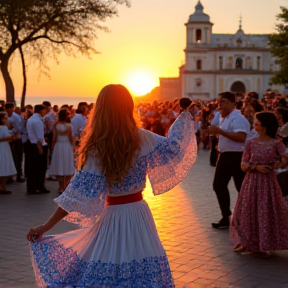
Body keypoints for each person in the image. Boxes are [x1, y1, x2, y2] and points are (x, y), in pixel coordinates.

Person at [26, 84, 197, 287]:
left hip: (113, 218)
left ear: (100, 109)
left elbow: (75, 196)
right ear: (128, 106)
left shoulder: (97, 147)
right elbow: (174, 147)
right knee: (144, 272)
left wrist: (45, 226)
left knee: (107, 271)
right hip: (139, 214)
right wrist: (184, 117)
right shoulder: (144, 137)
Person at [230, 112, 288, 257]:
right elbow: (243, 164)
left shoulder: (276, 143)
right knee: (248, 210)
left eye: (256, 123)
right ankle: (246, 242)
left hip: (268, 182)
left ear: (264, 126)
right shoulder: (251, 143)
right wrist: (256, 168)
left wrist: (276, 165)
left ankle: (264, 244)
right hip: (251, 181)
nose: (254, 126)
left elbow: (285, 157)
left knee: (265, 211)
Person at [209, 92, 250, 229]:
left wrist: (220, 132)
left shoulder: (238, 118)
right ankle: (226, 216)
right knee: (218, 185)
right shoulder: (224, 117)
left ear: (233, 102)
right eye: (220, 102)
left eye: (225, 102)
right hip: (225, 155)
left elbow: (241, 136)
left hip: (236, 156)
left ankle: (247, 217)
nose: (221, 105)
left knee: (241, 188)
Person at [48, 109, 75, 194]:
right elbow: (70, 137)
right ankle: (65, 186)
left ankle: (60, 186)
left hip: (58, 146)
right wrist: (74, 147)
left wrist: (52, 147)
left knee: (59, 165)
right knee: (67, 164)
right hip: (67, 146)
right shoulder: (69, 126)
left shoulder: (56, 125)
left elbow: (54, 138)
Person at [26, 105, 49, 194]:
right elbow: (40, 136)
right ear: (41, 110)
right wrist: (40, 147)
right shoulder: (38, 121)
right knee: (40, 167)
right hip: (38, 145)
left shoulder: (30, 119)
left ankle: (32, 187)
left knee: (32, 167)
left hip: (31, 145)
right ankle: (40, 186)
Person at [5, 102, 25, 182]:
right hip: (7, 139)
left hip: (16, 139)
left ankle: (18, 174)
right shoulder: (4, 116)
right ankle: (9, 176)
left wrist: (11, 131)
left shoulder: (17, 117)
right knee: (9, 158)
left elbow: (19, 128)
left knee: (18, 157)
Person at [0, 112, 17, 194]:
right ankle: (2, 185)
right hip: (3, 147)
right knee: (4, 165)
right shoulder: (4, 128)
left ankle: (2, 185)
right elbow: (7, 137)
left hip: (3, 146)